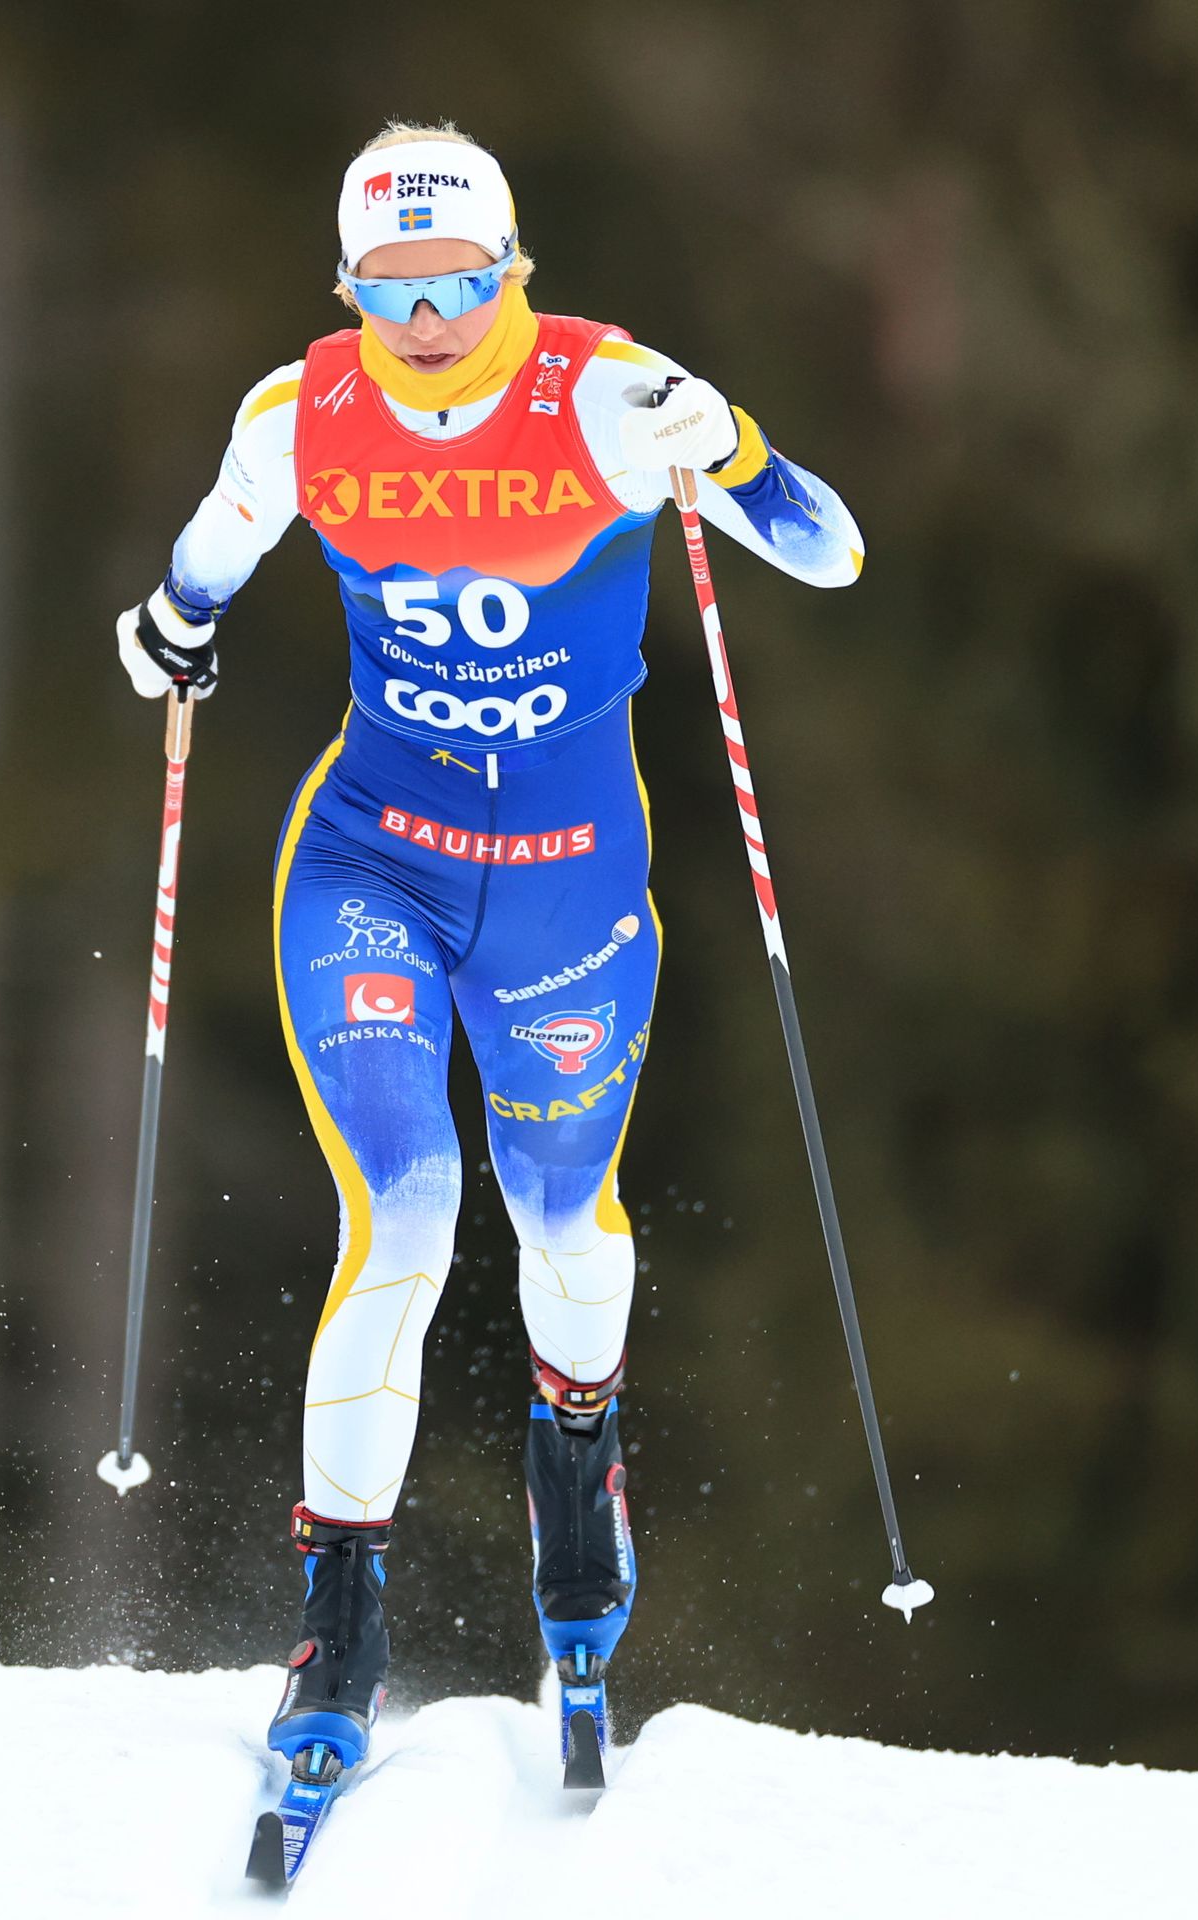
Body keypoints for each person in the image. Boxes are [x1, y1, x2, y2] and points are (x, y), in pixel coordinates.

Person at [115, 121, 862, 1781]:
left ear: (515, 265)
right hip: (371, 857)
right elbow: (211, 554)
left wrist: (733, 449)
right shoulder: (302, 412)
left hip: (567, 890)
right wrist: (169, 632)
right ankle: (338, 1625)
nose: (429, 317)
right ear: (347, 286)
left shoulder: (608, 395)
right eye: (391, 287)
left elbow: (830, 551)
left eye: (458, 280)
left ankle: (576, 1453)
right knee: (404, 1208)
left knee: (559, 1219)